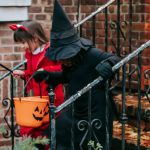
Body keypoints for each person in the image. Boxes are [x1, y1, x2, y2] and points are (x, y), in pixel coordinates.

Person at [33, 0, 121, 149]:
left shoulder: (91, 54)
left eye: (63, 56)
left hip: (96, 113)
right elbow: (68, 77)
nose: (61, 60)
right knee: (53, 132)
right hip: (77, 110)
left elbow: (115, 59)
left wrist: (108, 65)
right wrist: (48, 75)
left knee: (92, 145)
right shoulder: (71, 62)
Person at [9, 20, 64, 149]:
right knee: (31, 129)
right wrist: (23, 73)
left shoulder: (51, 50)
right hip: (38, 98)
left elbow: (62, 69)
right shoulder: (30, 53)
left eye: (23, 42)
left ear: (35, 38)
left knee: (50, 129)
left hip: (52, 96)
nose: (23, 47)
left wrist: (46, 71)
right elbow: (33, 72)